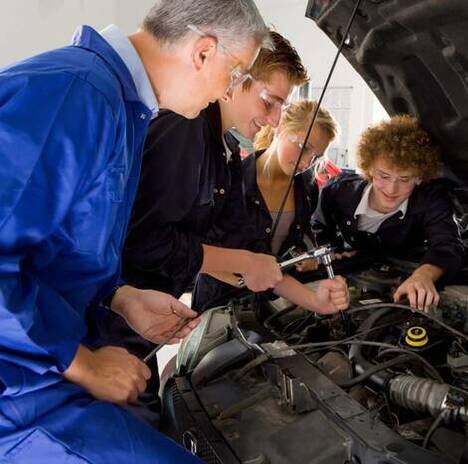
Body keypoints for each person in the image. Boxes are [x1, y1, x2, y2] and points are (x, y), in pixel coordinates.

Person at [0, 0, 268, 462]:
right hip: (19, 390)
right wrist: (84, 365)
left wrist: (121, 297)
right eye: (237, 73)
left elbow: (60, 248)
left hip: (44, 365)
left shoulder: (122, 109)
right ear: (204, 52)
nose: (229, 91)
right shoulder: (77, 95)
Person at [106, 34, 345, 424]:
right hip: (114, 319)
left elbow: (248, 251)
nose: (273, 119)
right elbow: (142, 241)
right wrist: (242, 262)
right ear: (236, 78)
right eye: (269, 102)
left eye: (281, 107)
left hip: (150, 321)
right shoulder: (183, 128)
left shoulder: (225, 152)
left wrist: (313, 300)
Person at [193, 100, 347, 312]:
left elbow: (295, 239)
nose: (306, 163)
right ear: (280, 128)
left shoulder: (307, 188)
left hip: (271, 303)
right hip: (219, 302)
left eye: (316, 157)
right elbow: (196, 248)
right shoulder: (231, 179)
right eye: (304, 147)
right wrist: (240, 277)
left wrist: (304, 254)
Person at [311, 115, 463, 312]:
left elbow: (448, 244)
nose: (392, 189)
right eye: (384, 176)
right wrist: (333, 250)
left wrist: (423, 275)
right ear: (370, 169)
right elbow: (318, 227)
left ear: (419, 177)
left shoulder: (431, 200)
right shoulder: (337, 192)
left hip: (401, 279)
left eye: (404, 179)